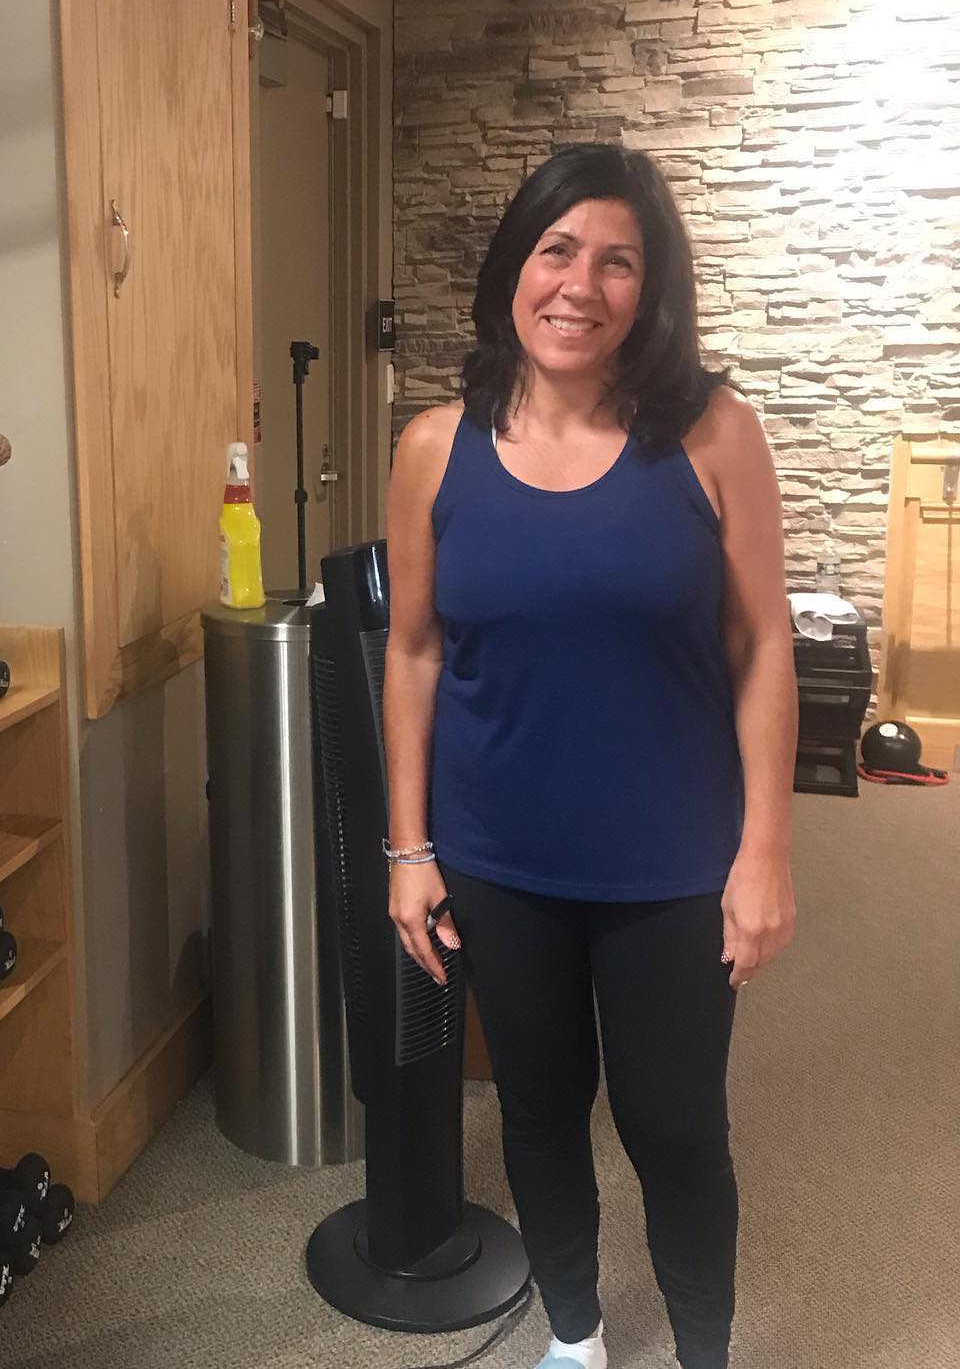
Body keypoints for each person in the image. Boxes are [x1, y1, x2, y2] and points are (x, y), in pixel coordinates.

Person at [383, 144, 797, 1369]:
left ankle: (704, 1351)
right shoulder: (433, 446)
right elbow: (413, 649)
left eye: (619, 261)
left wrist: (765, 849)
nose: (580, 285)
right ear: (513, 266)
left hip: (673, 860)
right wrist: (408, 847)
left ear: (651, 288)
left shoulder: (714, 432)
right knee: (539, 1112)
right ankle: (574, 1336)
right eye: (556, 249)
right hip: (500, 855)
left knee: (675, 1127)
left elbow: (763, 640)